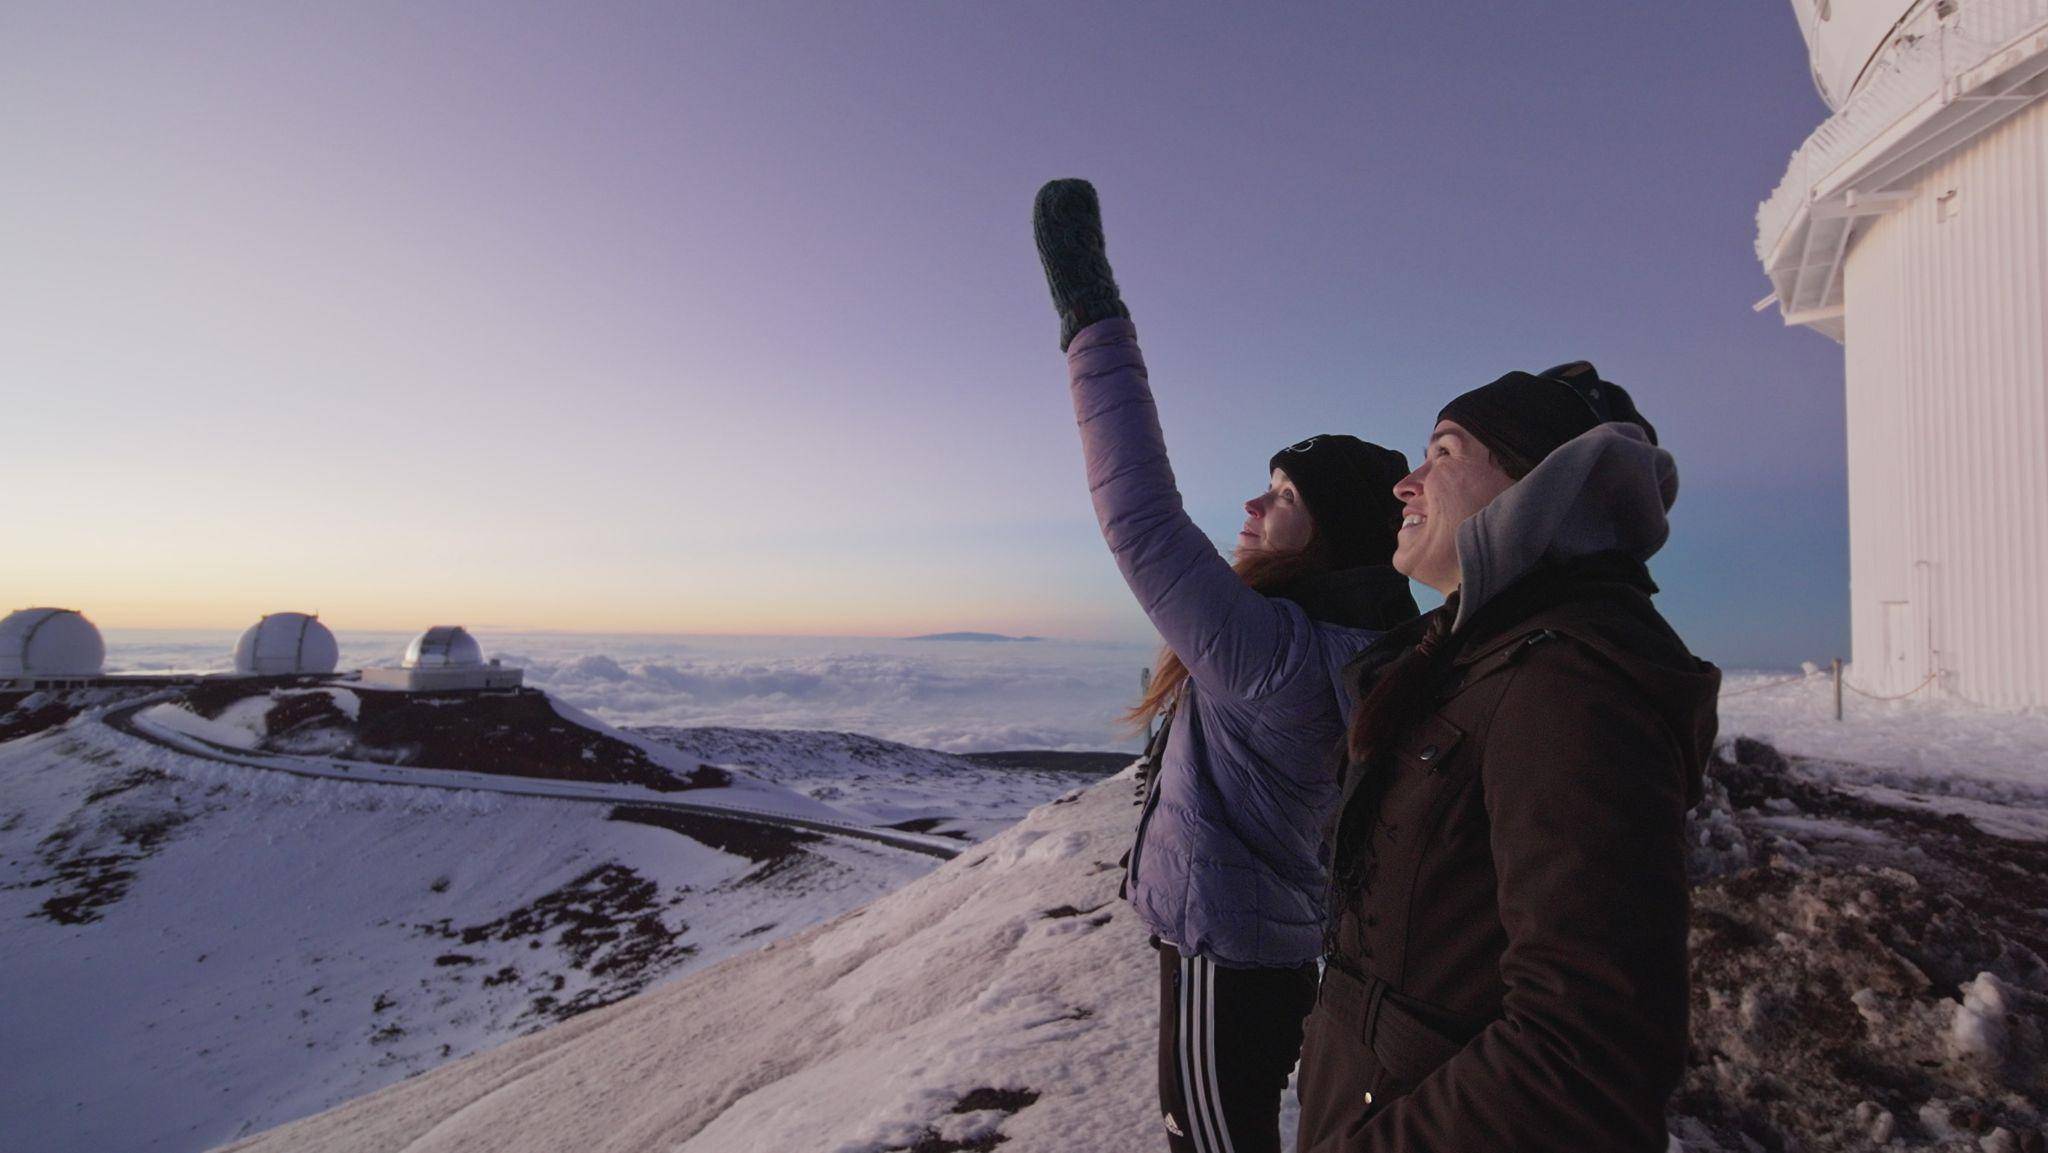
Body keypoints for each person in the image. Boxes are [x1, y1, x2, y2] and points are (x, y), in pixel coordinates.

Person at [1033, 178, 1420, 1153]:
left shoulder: (1273, 652)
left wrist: (1089, 313)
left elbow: (1139, 516)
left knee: (1212, 1142)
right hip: (1271, 937)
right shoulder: (1355, 641)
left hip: (1227, 948)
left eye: (1280, 494)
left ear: (1326, 532)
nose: (1249, 507)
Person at [1293, 364, 1722, 1152]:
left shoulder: (1569, 684)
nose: (1407, 482)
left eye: (1444, 452)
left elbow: (1588, 1046)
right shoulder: (1477, 660)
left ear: (1540, 482)